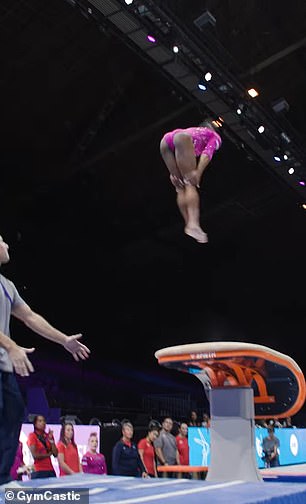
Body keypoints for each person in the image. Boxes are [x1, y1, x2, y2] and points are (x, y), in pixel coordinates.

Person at [0, 234, 90, 486]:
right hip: (6, 355)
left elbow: (30, 317)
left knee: (13, 414)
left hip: (4, 368)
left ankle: (1, 481)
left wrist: (64, 340)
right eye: (2, 241)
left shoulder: (7, 285)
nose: (7, 245)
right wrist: (11, 345)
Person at [160, 120, 222, 243]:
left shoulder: (197, 131)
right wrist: (198, 172)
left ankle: (189, 224)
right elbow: (207, 154)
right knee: (190, 184)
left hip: (166, 141)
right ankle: (193, 224)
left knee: (180, 187)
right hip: (182, 138)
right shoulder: (215, 137)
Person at [27, 415, 57, 479]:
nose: (43, 423)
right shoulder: (32, 436)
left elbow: (55, 454)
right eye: (40, 421)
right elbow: (35, 455)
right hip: (38, 470)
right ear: (35, 424)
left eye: (44, 421)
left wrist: (51, 440)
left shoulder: (48, 435)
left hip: (50, 469)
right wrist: (48, 454)